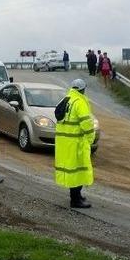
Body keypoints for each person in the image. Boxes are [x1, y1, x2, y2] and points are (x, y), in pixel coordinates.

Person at [55, 78, 95, 208]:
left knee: (72, 170)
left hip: (65, 143)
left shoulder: (66, 100)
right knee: (79, 171)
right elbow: (87, 124)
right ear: (83, 89)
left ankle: (76, 196)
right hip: (77, 142)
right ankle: (75, 199)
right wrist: (90, 139)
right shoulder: (80, 102)